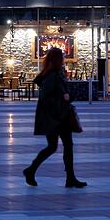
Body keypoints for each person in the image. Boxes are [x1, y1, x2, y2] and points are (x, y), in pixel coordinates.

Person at [23, 47, 86, 189]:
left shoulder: (57, 74)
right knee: (53, 147)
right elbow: (46, 98)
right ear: (58, 59)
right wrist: (63, 98)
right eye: (62, 57)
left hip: (60, 116)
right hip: (54, 118)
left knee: (66, 146)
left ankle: (70, 178)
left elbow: (65, 93)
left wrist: (68, 97)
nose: (63, 59)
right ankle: (31, 170)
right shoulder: (51, 76)